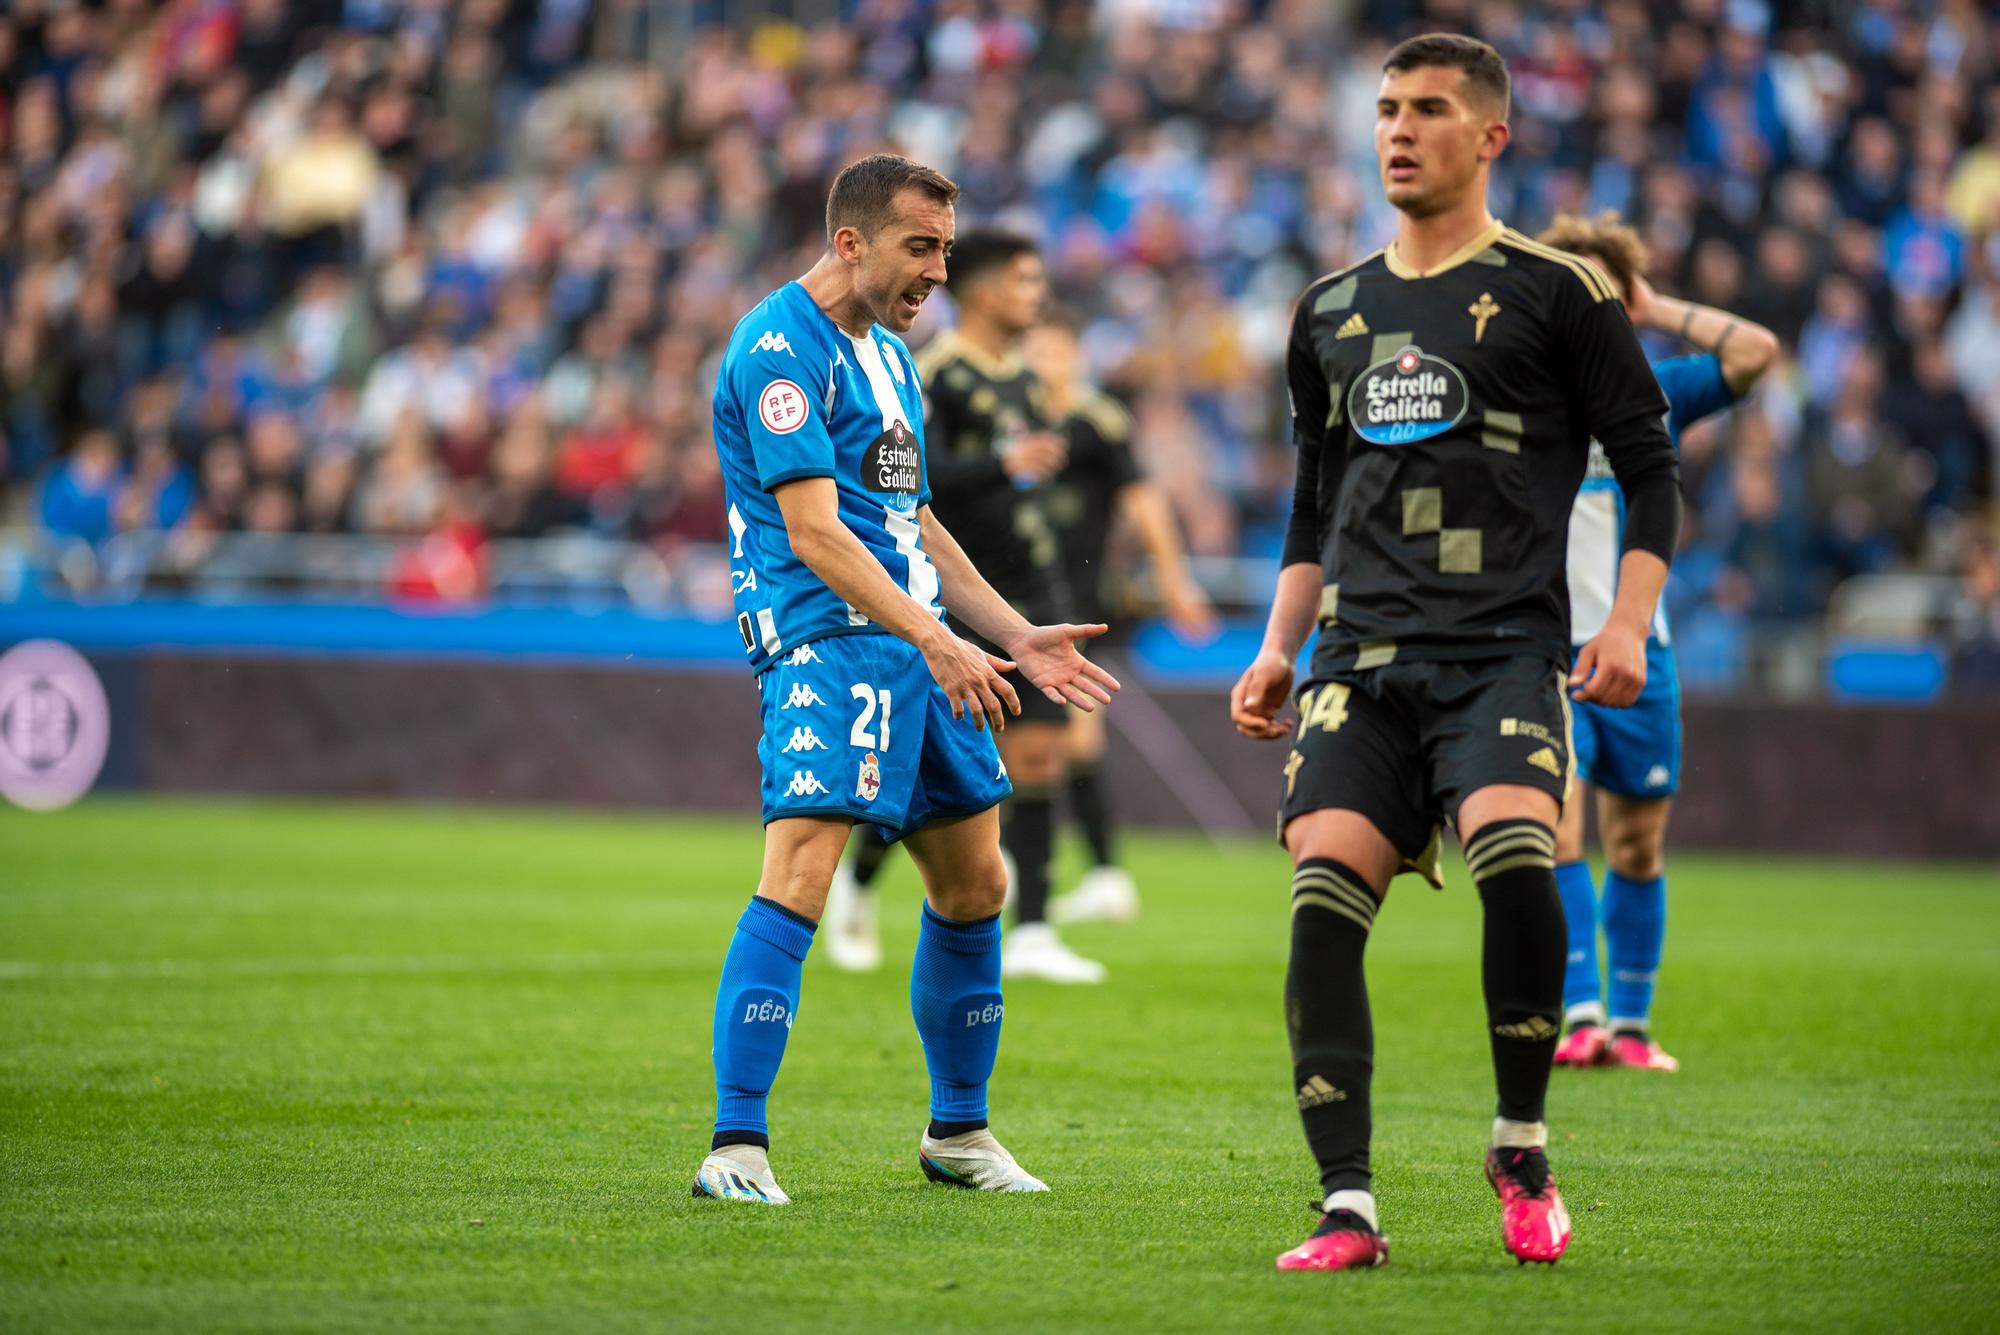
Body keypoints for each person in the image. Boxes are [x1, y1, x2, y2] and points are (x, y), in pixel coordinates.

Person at [1229, 35, 1682, 1271]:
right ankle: (1345, 1207)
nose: (1397, 129)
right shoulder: (1326, 310)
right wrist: (1277, 648)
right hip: (1357, 663)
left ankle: (1519, 1142)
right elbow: (1312, 503)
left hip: (1500, 655)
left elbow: (1650, 471)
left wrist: (1628, 622)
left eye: (1427, 109)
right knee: (1322, 897)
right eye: (1384, 108)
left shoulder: (1555, 292)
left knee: (1519, 863)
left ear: (1489, 136)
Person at [694, 154, 1120, 1206]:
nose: (939, 269)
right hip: (825, 641)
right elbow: (816, 535)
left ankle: (957, 1134)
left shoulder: (887, 354)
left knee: (978, 883)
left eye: (942, 246)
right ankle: (734, 1148)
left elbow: (908, 519)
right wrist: (937, 641)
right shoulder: (777, 351)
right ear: (850, 242)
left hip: (918, 642)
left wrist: (1013, 636)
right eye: (920, 247)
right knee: (799, 873)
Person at [822, 232, 1109, 983]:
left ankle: (1035, 928)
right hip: (953, 597)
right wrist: (1000, 466)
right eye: (1023, 279)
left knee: (1040, 755)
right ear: (982, 291)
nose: (1036, 294)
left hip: (1029, 593)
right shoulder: (933, 373)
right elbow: (916, 489)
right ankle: (857, 880)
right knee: (932, 766)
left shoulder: (1023, 378)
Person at [1534, 213, 1780, 1073]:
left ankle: (1632, 1027)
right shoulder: (1517, 391)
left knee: (1636, 844)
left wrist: (1660, 303)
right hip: (1542, 649)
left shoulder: (1656, 390)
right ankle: (1581, 1014)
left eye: (1606, 289)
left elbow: (1756, 352)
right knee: (1552, 829)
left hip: (1644, 649)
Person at [1025, 308, 1217, 924]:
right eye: (1033, 352)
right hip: (1006, 601)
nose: (1041, 365)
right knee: (1053, 740)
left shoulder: (1098, 424)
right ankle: (1092, 871)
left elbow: (1144, 503)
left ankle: (1070, 870)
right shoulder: (1005, 419)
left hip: (1074, 607)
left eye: (1053, 352)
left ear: (1075, 359)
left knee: (1065, 737)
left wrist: (1174, 580)